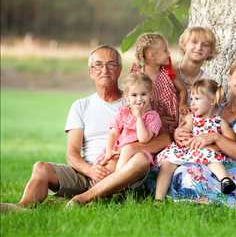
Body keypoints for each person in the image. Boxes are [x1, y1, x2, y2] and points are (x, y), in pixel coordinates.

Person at [0, 45, 170, 212]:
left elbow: (164, 139)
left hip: (124, 173)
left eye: (111, 64)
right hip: (89, 171)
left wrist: (131, 148)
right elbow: (72, 154)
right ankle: (23, 208)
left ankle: (83, 199)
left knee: (140, 161)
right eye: (98, 65)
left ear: (119, 70)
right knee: (41, 168)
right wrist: (91, 171)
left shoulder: (138, 100)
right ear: (91, 72)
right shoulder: (80, 106)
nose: (105, 69)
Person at [162, 54, 236, 207]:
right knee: (171, 169)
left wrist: (216, 137)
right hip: (202, 158)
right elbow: (191, 126)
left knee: (189, 175)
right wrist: (179, 134)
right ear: (229, 78)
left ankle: (214, 199)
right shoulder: (212, 106)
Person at [155, 79, 236, 200]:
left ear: (212, 101)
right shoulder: (191, 118)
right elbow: (184, 132)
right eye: (191, 99)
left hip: (206, 151)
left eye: (197, 99)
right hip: (188, 150)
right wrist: (184, 137)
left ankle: (225, 180)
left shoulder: (219, 121)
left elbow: (231, 140)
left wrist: (216, 145)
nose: (192, 103)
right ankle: (158, 198)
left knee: (212, 159)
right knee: (167, 164)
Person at [131, 33, 189, 135]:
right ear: (151, 56)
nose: (169, 53)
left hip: (173, 121)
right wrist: (157, 119)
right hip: (148, 123)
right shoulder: (138, 75)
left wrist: (182, 104)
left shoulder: (167, 71)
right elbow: (132, 101)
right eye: (165, 50)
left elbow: (182, 90)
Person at [174, 26, 217, 105]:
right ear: (184, 44)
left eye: (205, 45)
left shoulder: (208, 82)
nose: (199, 47)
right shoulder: (170, 72)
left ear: (210, 51)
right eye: (194, 42)